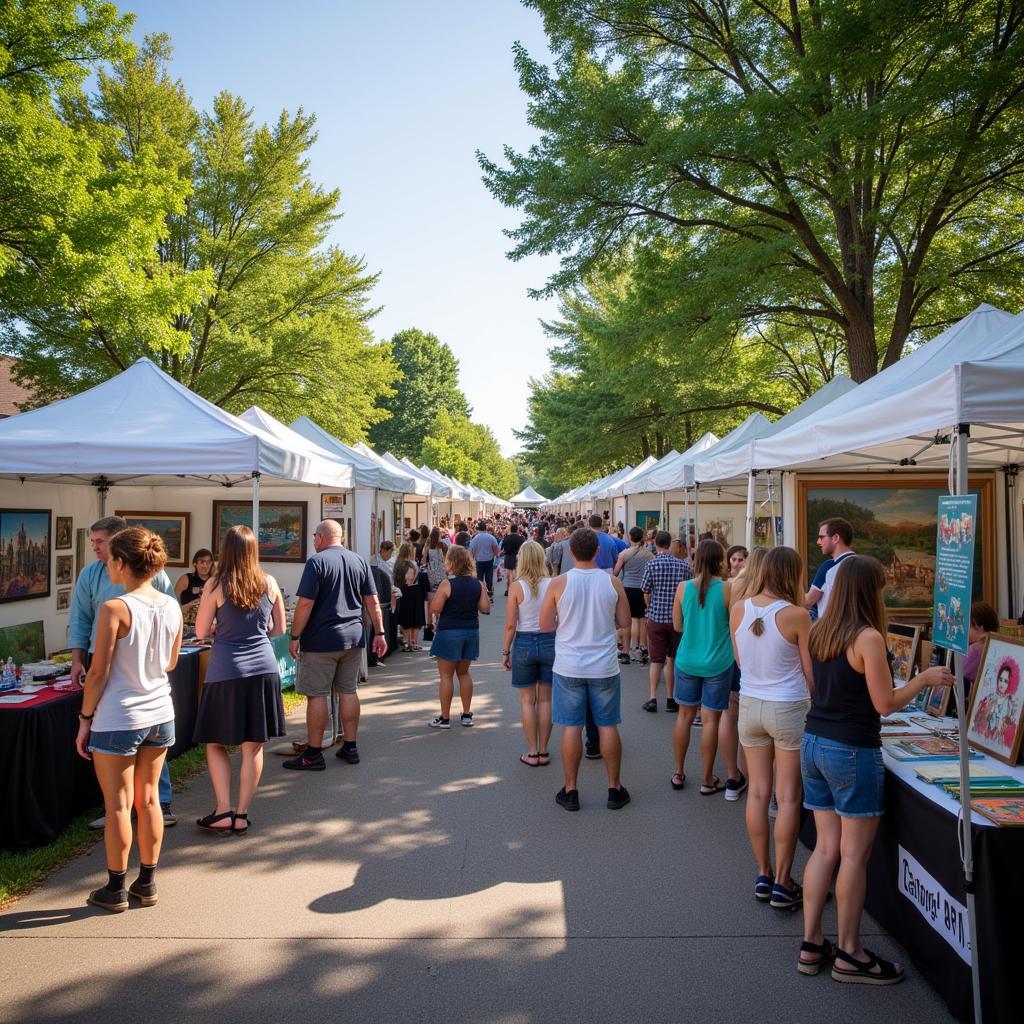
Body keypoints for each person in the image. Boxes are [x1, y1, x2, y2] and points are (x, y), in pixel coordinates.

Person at [799, 555, 953, 982]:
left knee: (826, 849)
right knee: (852, 856)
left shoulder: (820, 630)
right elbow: (884, 704)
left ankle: (812, 943)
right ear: (870, 591)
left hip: (813, 742)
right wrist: (922, 681)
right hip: (850, 748)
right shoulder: (867, 637)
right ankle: (849, 951)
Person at [74, 527, 182, 912]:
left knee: (118, 805)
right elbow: (170, 662)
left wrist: (85, 718)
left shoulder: (115, 608)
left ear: (121, 563)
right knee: (149, 799)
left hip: (120, 714)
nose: (107, 567)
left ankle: (116, 887)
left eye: (110, 560)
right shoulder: (171, 605)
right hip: (160, 711)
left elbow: (98, 672)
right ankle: (148, 882)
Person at [730, 546, 812, 909]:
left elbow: (740, 660)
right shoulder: (798, 616)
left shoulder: (738, 610)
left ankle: (762, 873)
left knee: (758, 793)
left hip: (750, 705)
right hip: (788, 707)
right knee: (789, 796)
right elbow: (812, 676)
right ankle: (783, 879)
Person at [192, 526, 287, 834]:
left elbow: (201, 631)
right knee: (253, 746)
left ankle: (222, 810)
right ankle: (242, 814)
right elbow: (279, 629)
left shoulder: (215, 584)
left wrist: (223, 630)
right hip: (263, 669)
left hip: (225, 670)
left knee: (216, 741)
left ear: (226, 551)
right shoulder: (269, 582)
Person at [540, 527, 632, 811]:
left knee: (571, 727)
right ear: (597, 551)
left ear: (570, 551)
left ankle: (571, 790)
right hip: (603, 665)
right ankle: (614, 788)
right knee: (607, 726)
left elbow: (545, 625)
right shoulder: (612, 582)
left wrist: (566, 625)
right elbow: (626, 621)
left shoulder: (558, 583)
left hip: (569, 664)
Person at [283, 520, 387, 772]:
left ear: (319, 537)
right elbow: (373, 602)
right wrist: (380, 632)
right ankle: (350, 746)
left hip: (321, 640)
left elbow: (305, 604)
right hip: (352, 637)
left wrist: (295, 635)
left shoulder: (316, 562)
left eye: (314, 537)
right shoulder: (359, 561)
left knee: (317, 694)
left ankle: (313, 753)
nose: (314, 541)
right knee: (348, 690)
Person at [671, 539, 736, 795]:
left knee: (684, 717)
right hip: (718, 662)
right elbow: (734, 626)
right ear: (720, 560)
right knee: (710, 721)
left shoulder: (683, 588)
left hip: (687, 659)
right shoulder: (728, 589)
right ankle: (707, 779)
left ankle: (678, 771)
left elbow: (677, 626)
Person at [502, 541, 555, 766]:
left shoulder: (517, 586)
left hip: (524, 642)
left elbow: (511, 625)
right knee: (545, 700)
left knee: (527, 701)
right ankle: (544, 749)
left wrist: (506, 651)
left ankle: (532, 751)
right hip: (549, 641)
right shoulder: (553, 584)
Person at [427, 545, 490, 728]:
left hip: (449, 632)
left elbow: (435, 608)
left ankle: (445, 718)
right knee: (464, 673)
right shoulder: (477, 583)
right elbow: (485, 609)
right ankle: (467, 714)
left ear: (452, 563)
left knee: (446, 676)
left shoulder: (448, 584)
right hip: (471, 631)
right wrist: (483, 589)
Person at [640, 531, 692, 712]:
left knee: (656, 660)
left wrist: (649, 608)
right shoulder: (683, 566)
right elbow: (687, 592)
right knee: (672, 659)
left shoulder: (651, 564)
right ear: (670, 545)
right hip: (676, 619)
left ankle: (653, 697)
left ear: (655, 543)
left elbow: (645, 590)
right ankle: (671, 698)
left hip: (656, 617)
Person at [614, 527, 653, 664]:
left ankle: (627, 650)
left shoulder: (624, 554)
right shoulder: (648, 554)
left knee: (627, 620)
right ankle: (642, 648)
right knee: (642, 619)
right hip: (642, 589)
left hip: (627, 588)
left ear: (630, 537)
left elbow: (616, 571)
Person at [804, 517, 855, 618]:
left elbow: (808, 601)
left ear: (835, 538)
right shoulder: (864, 566)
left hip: (832, 629)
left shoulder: (829, 567)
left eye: (822, 537)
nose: (818, 542)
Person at [964, 600, 999, 693]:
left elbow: (961, 672)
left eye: (968, 626)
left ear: (978, 626)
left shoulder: (976, 649)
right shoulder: (997, 644)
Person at [395, 557, 426, 650]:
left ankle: (414, 642)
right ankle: (409, 642)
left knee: (417, 622)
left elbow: (424, 594)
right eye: (408, 573)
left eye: (412, 573)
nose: (411, 575)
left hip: (417, 603)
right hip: (406, 603)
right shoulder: (401, 586)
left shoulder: (419, 584)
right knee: (406, 622)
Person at [468, 520, 501, 598]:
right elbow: (495, 549)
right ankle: (489, 591)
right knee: (489, 576)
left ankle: (480, 593)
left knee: (479, 578)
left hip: (478, 561)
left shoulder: (475, 538)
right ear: (485, 528)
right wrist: (497, 555)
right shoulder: (491, 538)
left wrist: (471, 560)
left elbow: (472, 550)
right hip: (489, 560)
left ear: (478, 528)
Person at [500, 523, 526, 596]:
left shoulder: (506, 538)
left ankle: (508, 590)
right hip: (518, 557)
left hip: (508, 556)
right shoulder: (521, 538)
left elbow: (502, 548)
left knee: (509, 574)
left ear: (511, 530)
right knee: (516, 574)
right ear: (517, 530)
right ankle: (515, 590)